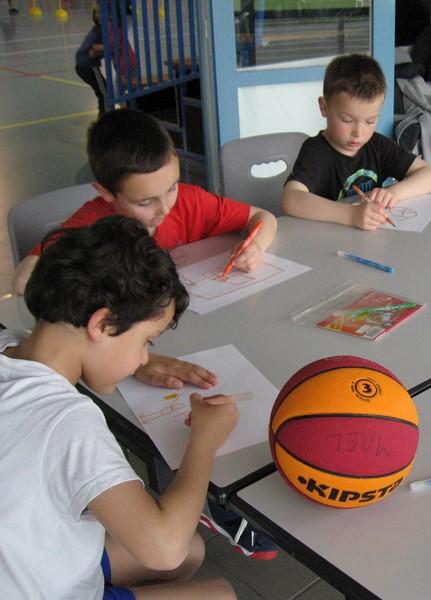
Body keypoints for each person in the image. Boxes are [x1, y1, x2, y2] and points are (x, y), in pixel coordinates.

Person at [0, 216, 237, 599]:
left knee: (193, 550)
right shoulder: (70, 423)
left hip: (24, 558)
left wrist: (132, 361)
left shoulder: (11, 345)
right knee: (217, 590)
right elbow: (164, 548)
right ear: (103, 325)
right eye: (147, 342)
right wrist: (205, 439)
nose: (143, 357)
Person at [12, 108, 278, 294]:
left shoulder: (190, 201)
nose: (165, 208)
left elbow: (263, 218)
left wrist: (256, 246)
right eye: (145, 202)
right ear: (106, 193)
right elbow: (23, 281)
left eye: (171, 188)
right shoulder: (92, 224)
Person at [281, 53, 431, 229]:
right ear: (324, 107)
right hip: (328, 237)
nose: (358, 133)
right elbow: (291, 199)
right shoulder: (316, 151)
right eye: (347, 120)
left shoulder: (377, 145)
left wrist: (393, 193)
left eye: (370, 121)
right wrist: (351, 215)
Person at [75, 5, 107, 115]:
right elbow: (93, 50)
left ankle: (103, 112)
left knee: (102, 90)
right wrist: (104, 48)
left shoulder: (101, 29)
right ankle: (104, 116)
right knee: (104, 92)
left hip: (85, 65)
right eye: (98, 13)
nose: (100, 16)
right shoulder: (98, 31)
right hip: (88, 66)